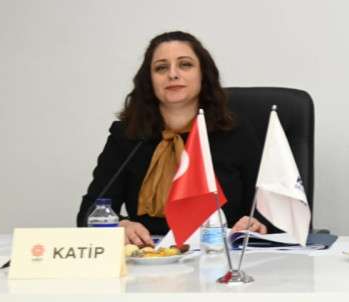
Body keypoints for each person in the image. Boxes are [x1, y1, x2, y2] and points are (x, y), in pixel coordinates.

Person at [78, 31, 267, 246]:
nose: (173, 74)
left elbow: (267, 212)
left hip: (221, 254)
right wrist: (119, 225)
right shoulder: (129, 136)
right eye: (161, 68)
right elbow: (89, 213)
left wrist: (254, 223)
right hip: (151, 256)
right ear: (149, 81)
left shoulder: (235, 132)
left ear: (203, 74)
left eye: (185, 65)